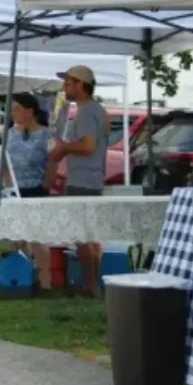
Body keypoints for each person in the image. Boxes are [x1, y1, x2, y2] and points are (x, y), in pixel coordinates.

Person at [49, 65, 109, 296]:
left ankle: (90, 286)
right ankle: (93, 284)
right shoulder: (84, 110)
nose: (64, 87)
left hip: (84, 179)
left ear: (81, 85)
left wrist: (63, 148)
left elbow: (88, 145)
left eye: (68, 83)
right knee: (90, 235)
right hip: (87, 178)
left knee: (83, 236)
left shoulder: (85, 111)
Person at [4, 93, 54, 281]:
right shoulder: (9, 134)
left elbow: (53, 162)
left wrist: (45, 185)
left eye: (16, 109)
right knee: (16, 234)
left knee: (37, 236)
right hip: (14, 190)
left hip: (36, 188)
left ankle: (45, 279)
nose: (12, 113)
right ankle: (20, 276)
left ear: (29, 111)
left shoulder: (45, 135)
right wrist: (7, 183)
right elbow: (3, 160)